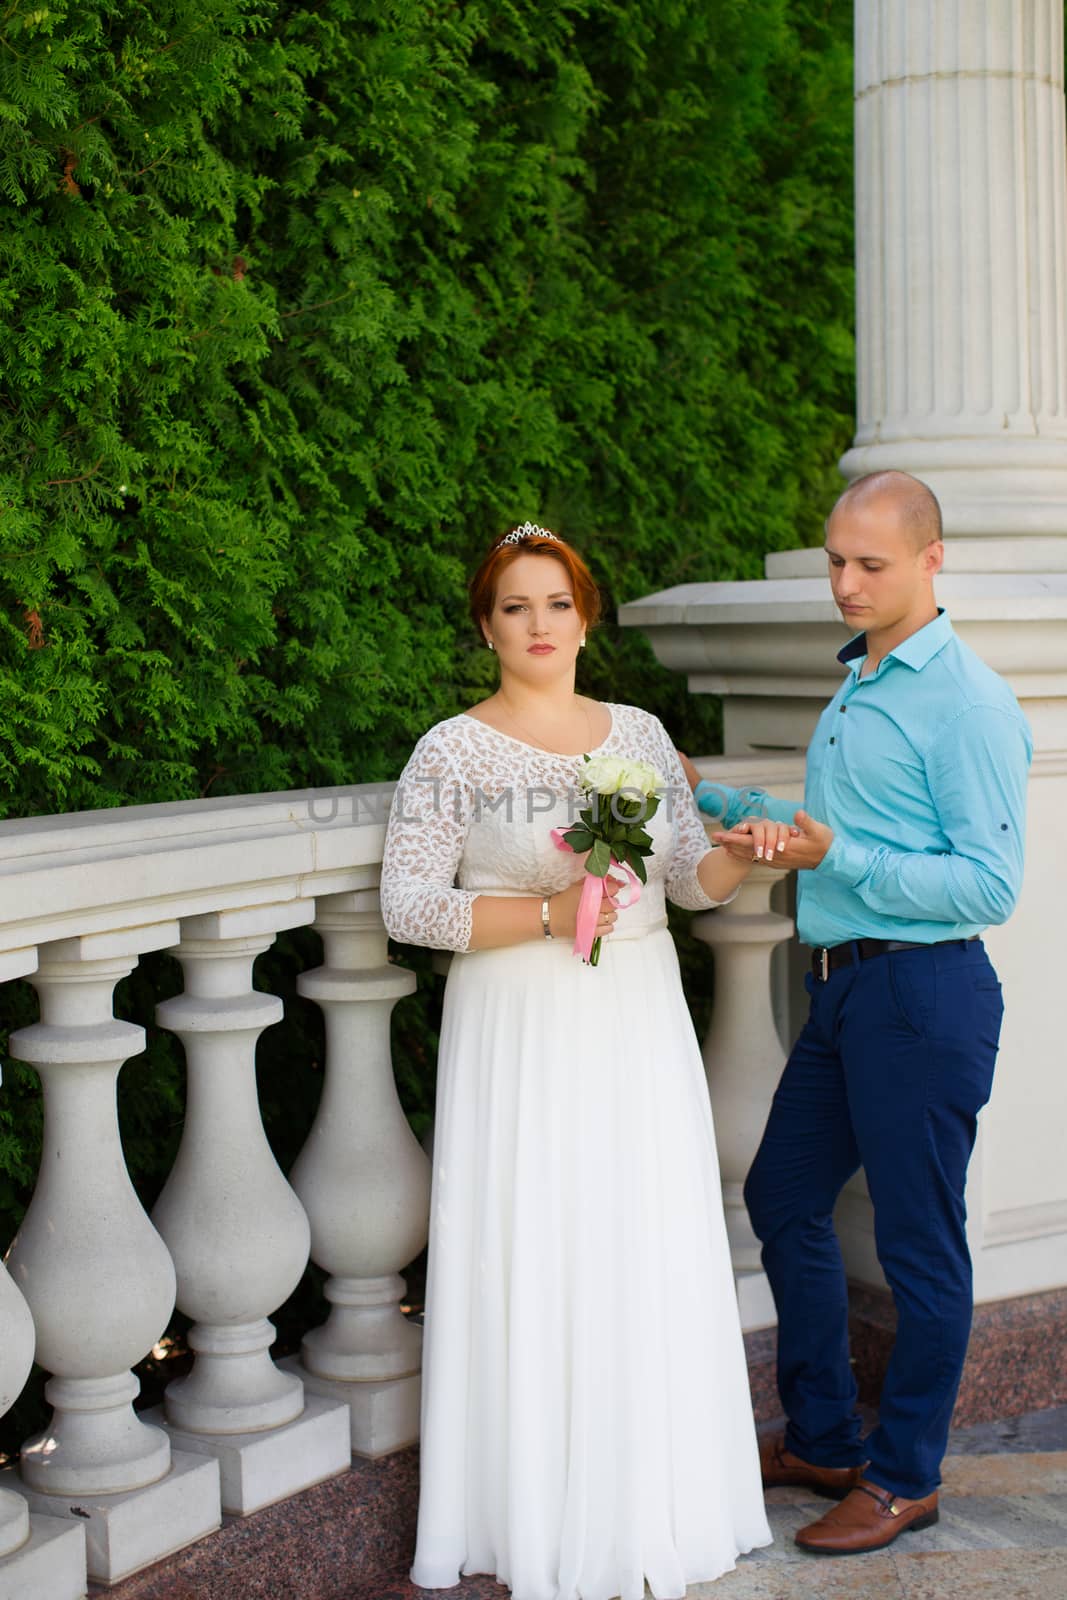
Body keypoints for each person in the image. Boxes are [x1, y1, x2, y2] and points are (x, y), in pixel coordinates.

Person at [380, 523, 774, 1600]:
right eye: (515, 606)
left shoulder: (639, 734)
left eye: (556, 602)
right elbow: (409, 906)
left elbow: (686, 877)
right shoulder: (451, 750)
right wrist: (550, 910)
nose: (538, 624)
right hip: (519, 1026)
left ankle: (655, 1503)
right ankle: (534, 1513)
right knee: (536, 1235)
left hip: (635, 1020)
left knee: (637, 1233)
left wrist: (732, 860)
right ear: (484, 624)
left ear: (585, 615)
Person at [683, 470, 1032, 1556]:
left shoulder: (965, 701)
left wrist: (840, 855)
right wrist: (717, 802)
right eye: (834, 559)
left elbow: (987, 885)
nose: (842, 581)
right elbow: (847, 829)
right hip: (840, 988)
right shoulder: (863, 679)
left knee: (920, 1247)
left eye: (867, 563)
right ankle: (826, 1438)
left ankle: (903, 1477)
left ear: (930, 562)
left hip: (923, 997)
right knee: (784, 1195)